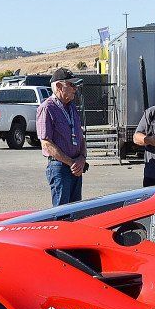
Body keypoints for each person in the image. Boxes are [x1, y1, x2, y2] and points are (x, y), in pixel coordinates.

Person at [37, 67, 89, 206]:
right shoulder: (47, 108)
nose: (75, 88)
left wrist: (82, 158)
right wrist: (71, 162)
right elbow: (46, 143)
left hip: (76, 167)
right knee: (62, 214)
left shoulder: (72, 106)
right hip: (60, 168)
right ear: (59, 86)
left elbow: (79, 134)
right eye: (71, 85)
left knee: (75, 213)